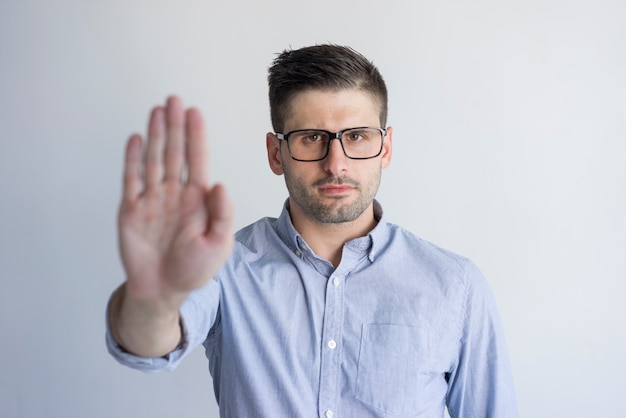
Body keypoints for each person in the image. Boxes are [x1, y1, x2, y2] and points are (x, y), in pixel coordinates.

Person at [106, 44, 518, 417]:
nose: (335, 163)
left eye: (356, 136)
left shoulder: (456, 286)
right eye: (311, 138)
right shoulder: (222, 267)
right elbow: (146, 346)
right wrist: (153, 298)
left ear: (386, 148)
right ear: (276, 152)